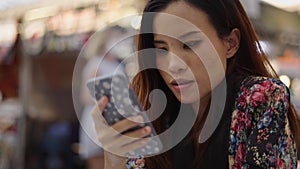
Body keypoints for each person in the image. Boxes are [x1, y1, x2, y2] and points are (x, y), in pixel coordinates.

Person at [91, 0, 299, 168]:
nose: (174, 65)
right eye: (162, 49)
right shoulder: (153, 111)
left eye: (189, 45)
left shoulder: (259, 98)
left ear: (231, 43)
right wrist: (115, 155)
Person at [79, 25, 129, 169]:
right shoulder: (95, 63)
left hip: (115, 118)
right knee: (98, 160)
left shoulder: (116, 63)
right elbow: (85, 96)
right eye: (117, 38)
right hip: (98, 118)